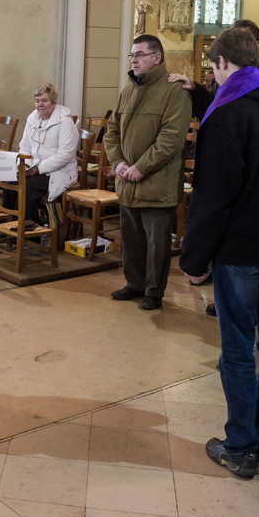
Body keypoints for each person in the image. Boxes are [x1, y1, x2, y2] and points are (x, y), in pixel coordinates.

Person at [179, 27, 259, 479]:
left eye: (213, 70)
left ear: (222, 65)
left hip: (241, 250)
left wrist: (194, 259)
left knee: (237, 350)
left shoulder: (228, 115)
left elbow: (212, 197)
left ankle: (240, 447)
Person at [104, 35, 192, 311]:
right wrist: (118, 163)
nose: (134, 60)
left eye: (140, 54)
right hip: (127, 179)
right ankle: (134, 284)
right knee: (131, 239)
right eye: (132, 55)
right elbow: (112, 131)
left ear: (157, 57)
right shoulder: (128, 88)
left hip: (156, 182)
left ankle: (153, 291)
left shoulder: (174, 91)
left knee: (156, 244)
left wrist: (140, 167)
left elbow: (171, 139)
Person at [7, 83, 78, 227]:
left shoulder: (65, 121)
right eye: (37, 101)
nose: (40, 104)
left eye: (44, 101)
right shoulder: (32, 118)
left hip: (58, 172)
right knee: (10, 182)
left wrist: (38, 169)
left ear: (53, 102)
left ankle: (30, 229)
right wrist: (24, 166)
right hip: (33, 168)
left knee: (28, 186)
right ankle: (8, 224)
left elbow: (65, 155)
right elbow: (25, 146)